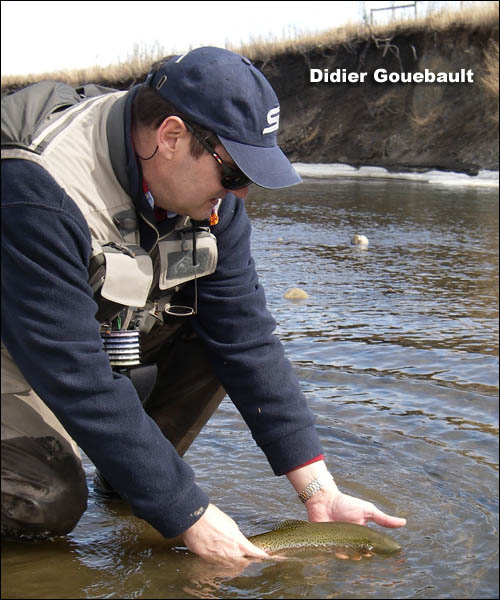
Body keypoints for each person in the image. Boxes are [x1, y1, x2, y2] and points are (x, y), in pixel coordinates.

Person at [1, 46, 406, 563]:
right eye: (234, 176)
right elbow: (73, 374)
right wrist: (187, 510)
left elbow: (246, 337)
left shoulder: (209, 201)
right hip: (18, 339)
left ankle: (134, 481)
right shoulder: (37, 190)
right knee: (46, 501)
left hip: (77, 333)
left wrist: (318, 491)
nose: (240, 197)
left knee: (209, 333)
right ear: (171, 137)